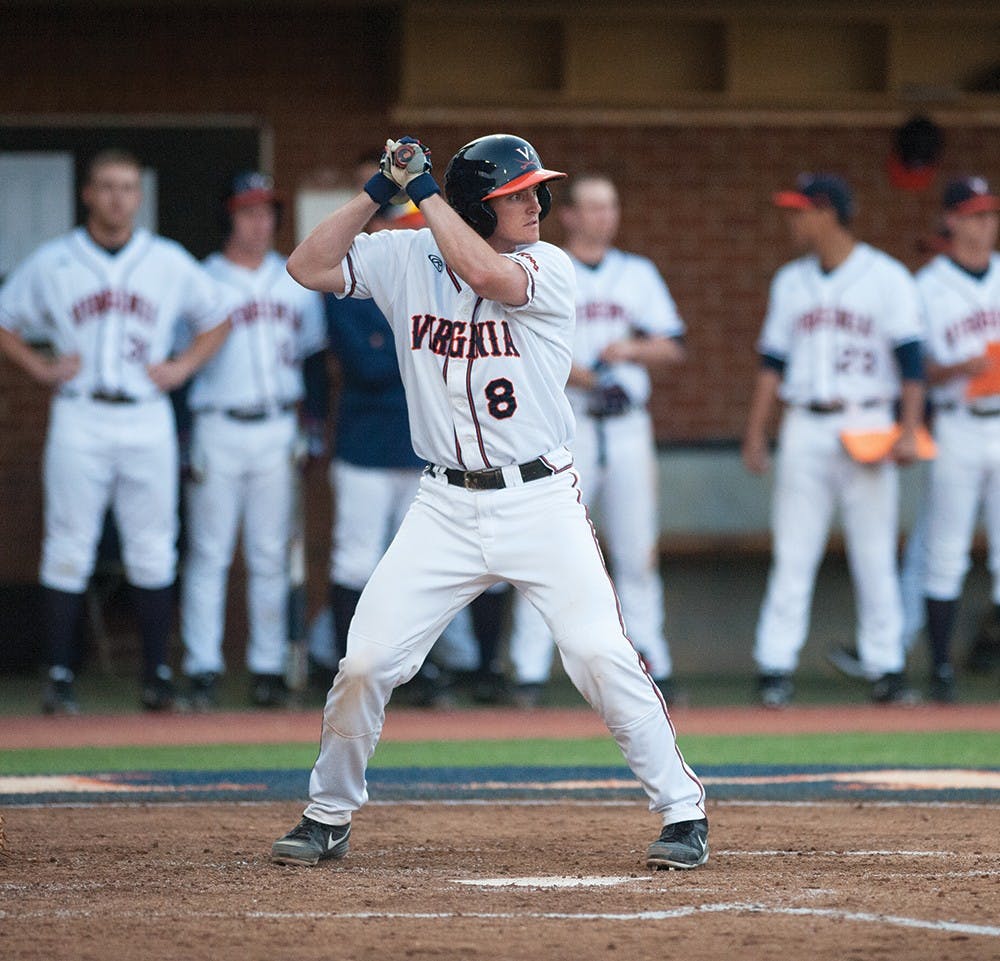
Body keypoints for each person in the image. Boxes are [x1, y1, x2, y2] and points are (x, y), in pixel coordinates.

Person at [269, 133, 707, 870]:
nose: (537, 202)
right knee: (367, 661)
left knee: (600, 652)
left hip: (540, 498)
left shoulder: (548, 265)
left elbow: (485, 274)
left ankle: (683, 811)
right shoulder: (406, 254)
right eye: (516, 194)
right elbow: (306, 264)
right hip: (442, 504)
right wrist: (384, 189)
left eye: (536, 189)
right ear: (480, 204)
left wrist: (425, 193)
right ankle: (328, 813)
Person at [0, 148, 232, 713]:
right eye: (106, 186)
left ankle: (155, 676)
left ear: (139, 195)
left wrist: (181, 367)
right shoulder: (56, 260)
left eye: (127, 187)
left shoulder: (167, 260)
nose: (117, 197)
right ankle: (59, 677)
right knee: (67, 544)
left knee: (153, 547)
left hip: (146, 413)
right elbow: (6, 320)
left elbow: (218, 318)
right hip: (79, 410)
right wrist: (40, 369)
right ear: (87, 193)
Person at [742, 173, 925, 707]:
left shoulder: (886, 277)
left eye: (801, 211)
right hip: (804, 422)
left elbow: (911, 363)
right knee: (793, 551)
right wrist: (756, 432)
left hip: (868, 420)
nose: (793, 221)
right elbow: (771, 364)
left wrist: (910, 429)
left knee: (873, 553)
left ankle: (885, 666)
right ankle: (774, 665)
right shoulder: (790, 281)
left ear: (828, 213)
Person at [507, 173, 686, 706]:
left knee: (636, 551)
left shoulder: (638, 273)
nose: (604, 217)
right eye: (593, 207)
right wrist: (591, 378)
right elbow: (526, 348)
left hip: (627, 423)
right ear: (570, 215)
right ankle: (528, 669)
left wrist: (629, 353)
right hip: (568, 423)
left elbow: (672, 347)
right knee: (550, 548)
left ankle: (651, 656)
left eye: (610, 206)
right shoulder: (544, 263)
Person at [178, 171, 327, 710]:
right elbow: (181, 365)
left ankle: (265, 667)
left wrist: (312, 426)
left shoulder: (294, 278)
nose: (259, 221)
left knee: (269, 555)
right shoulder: (200, 278)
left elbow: (312, 362)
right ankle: (202, 668)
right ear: (229, 217)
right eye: (248, 211)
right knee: (209, 553)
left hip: (277, 426)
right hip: (216, 423)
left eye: (267, 211)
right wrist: (184, 435)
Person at [916, 176, 1000, 702]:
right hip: (956, 421)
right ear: (951, 221)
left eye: (989, 214)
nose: (983, 224)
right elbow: (915, 367)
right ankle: (941, 669)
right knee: (945, 550)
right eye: (972, 215)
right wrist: (955, 367)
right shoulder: (927, 285)